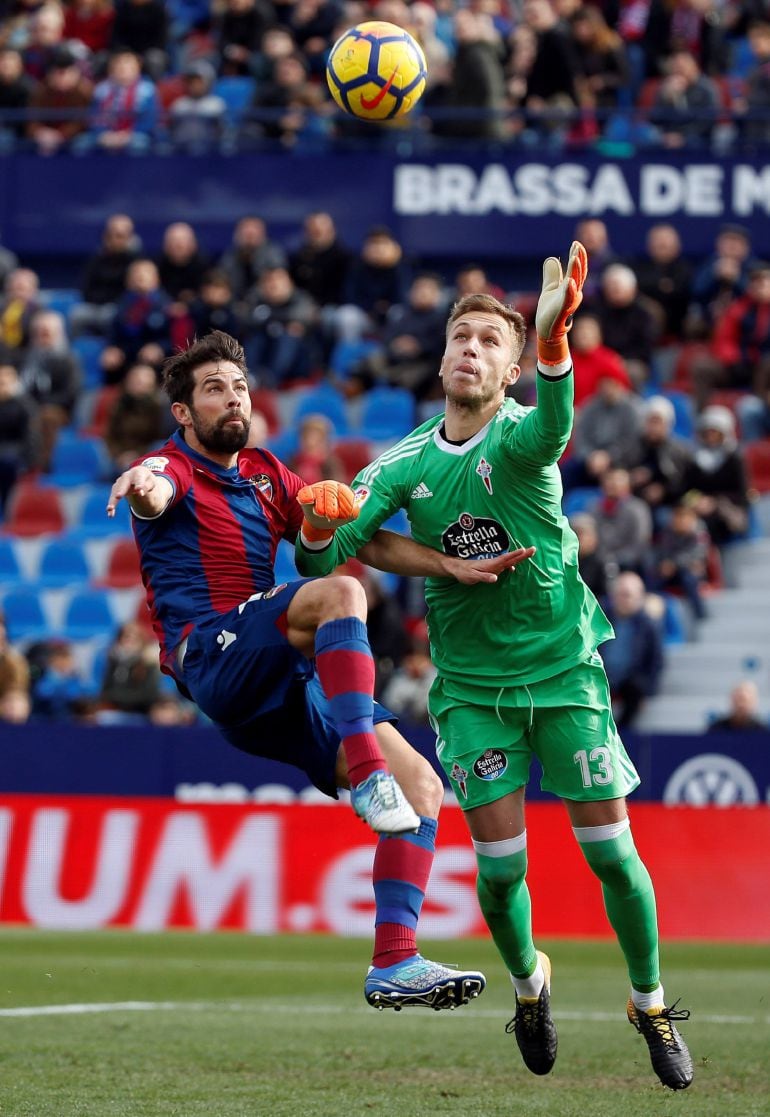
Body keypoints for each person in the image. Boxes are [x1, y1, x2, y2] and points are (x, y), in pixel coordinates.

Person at [295, 244, 693, 1090]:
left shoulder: (519, 436)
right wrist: (323, 525)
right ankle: (529, 985)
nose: (470, 350)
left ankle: (650, 1000)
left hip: (564, 671)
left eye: (488, 342)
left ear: (510, 368)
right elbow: (332, 548)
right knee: (503, 869)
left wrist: (553, 346)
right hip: (473, 690)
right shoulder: (406, 460)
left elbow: (556, 426)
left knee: (613, 857)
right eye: (460, 337)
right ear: (442, 357)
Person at [106, 328, 530, 1011]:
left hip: (277, 680)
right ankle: (365, 773)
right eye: (213, 389)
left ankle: (393, 960)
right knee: (342, 595)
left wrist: (438, 561)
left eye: (239, 386)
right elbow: (157, 490)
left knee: (422, 785)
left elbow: (348, 533)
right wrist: (140, 485)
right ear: (183, 412)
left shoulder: (269, 473)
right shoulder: (173, 466)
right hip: (213, 654)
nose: (231, 398)